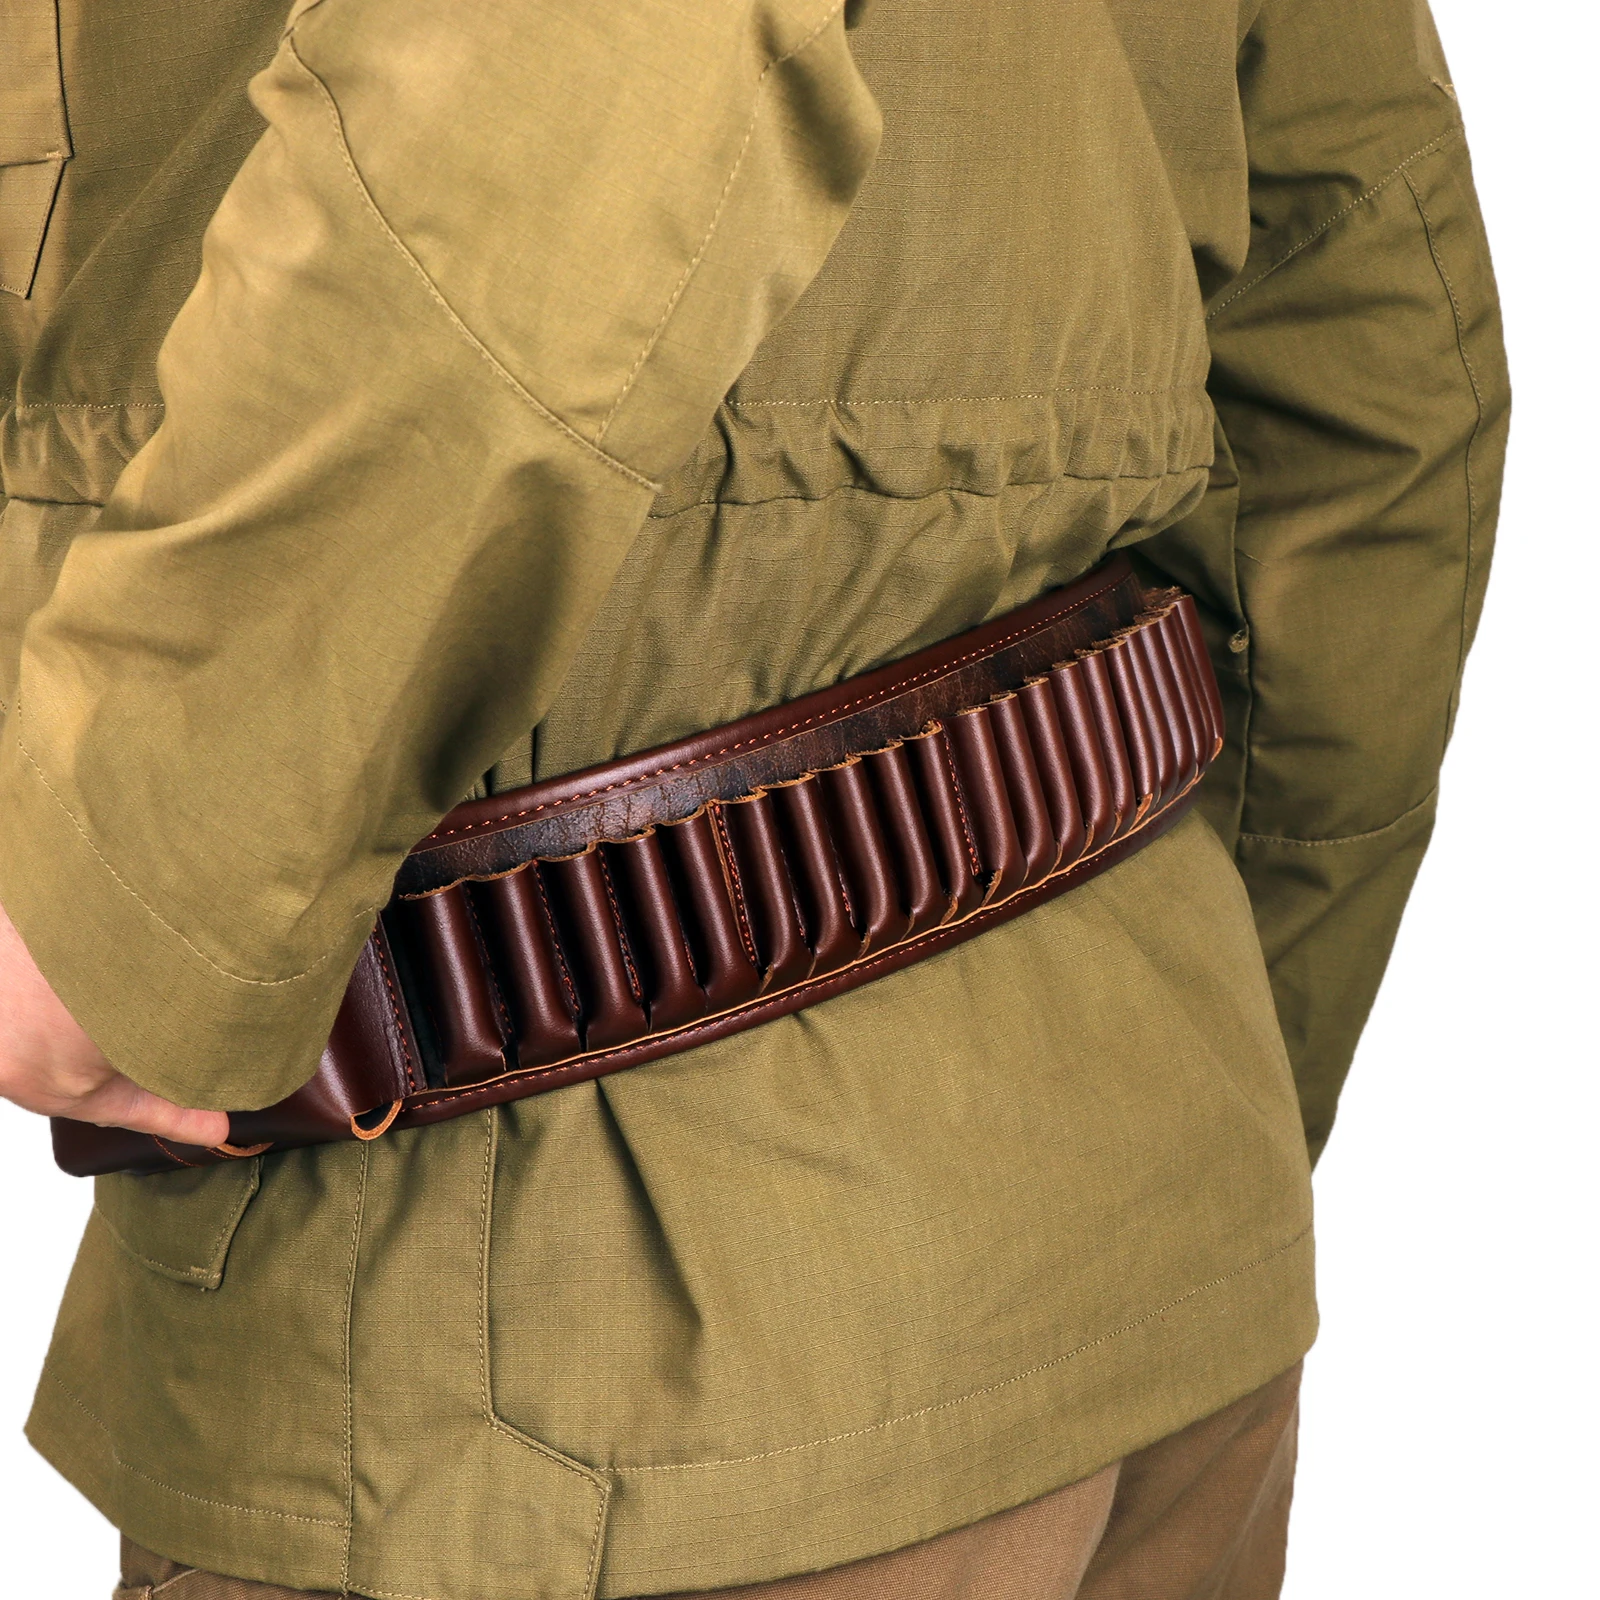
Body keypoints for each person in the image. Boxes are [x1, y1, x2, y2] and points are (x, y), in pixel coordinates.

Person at [0, 0, 1506, 1596]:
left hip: (550, 1358)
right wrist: (1167, 1052)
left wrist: (128, 884)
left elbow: (556, 85)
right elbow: (1366, 328)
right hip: (1138, 1267)